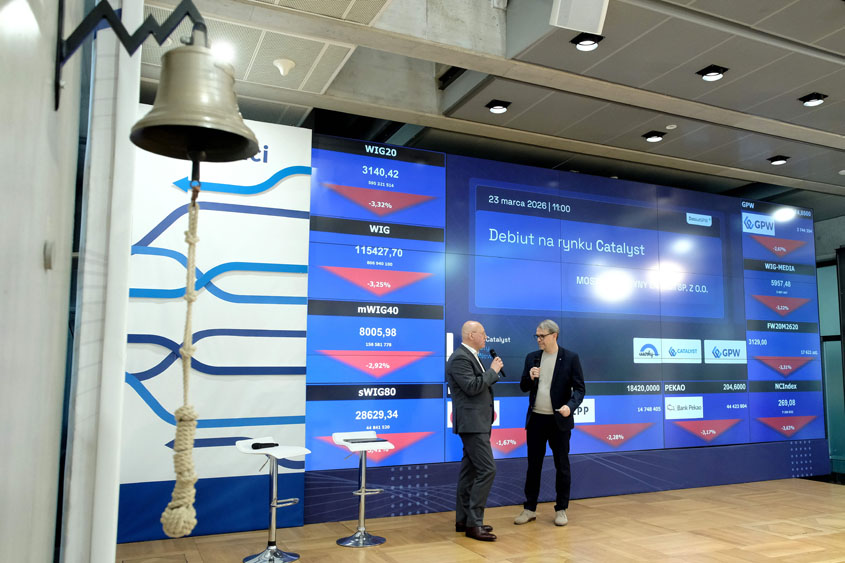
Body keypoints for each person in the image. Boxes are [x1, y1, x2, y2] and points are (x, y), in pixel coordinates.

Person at [514, 319, 585, 527]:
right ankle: (529, 509)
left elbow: (580, 389)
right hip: (536, 419)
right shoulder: (532, 357)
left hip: (558, 421)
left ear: (554, 335)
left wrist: (570, 406)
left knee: (561, 465)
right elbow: (523, 387)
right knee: (533, 466)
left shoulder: (570, 358)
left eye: (542, 336)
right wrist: (530, 377)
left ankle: (561, 509)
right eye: (537, 336)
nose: (538, 340)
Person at [446, 320, 504, 541]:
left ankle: (464, 520)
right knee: (487, 470)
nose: (486, 336)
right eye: (482, 333)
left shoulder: (472, 356)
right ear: (471, 335)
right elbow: (472, 387)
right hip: (472, 424)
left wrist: (490, 373)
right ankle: (474, 524)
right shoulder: (460, 358)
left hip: (478, 422)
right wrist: (493, 372)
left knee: (469, 472)